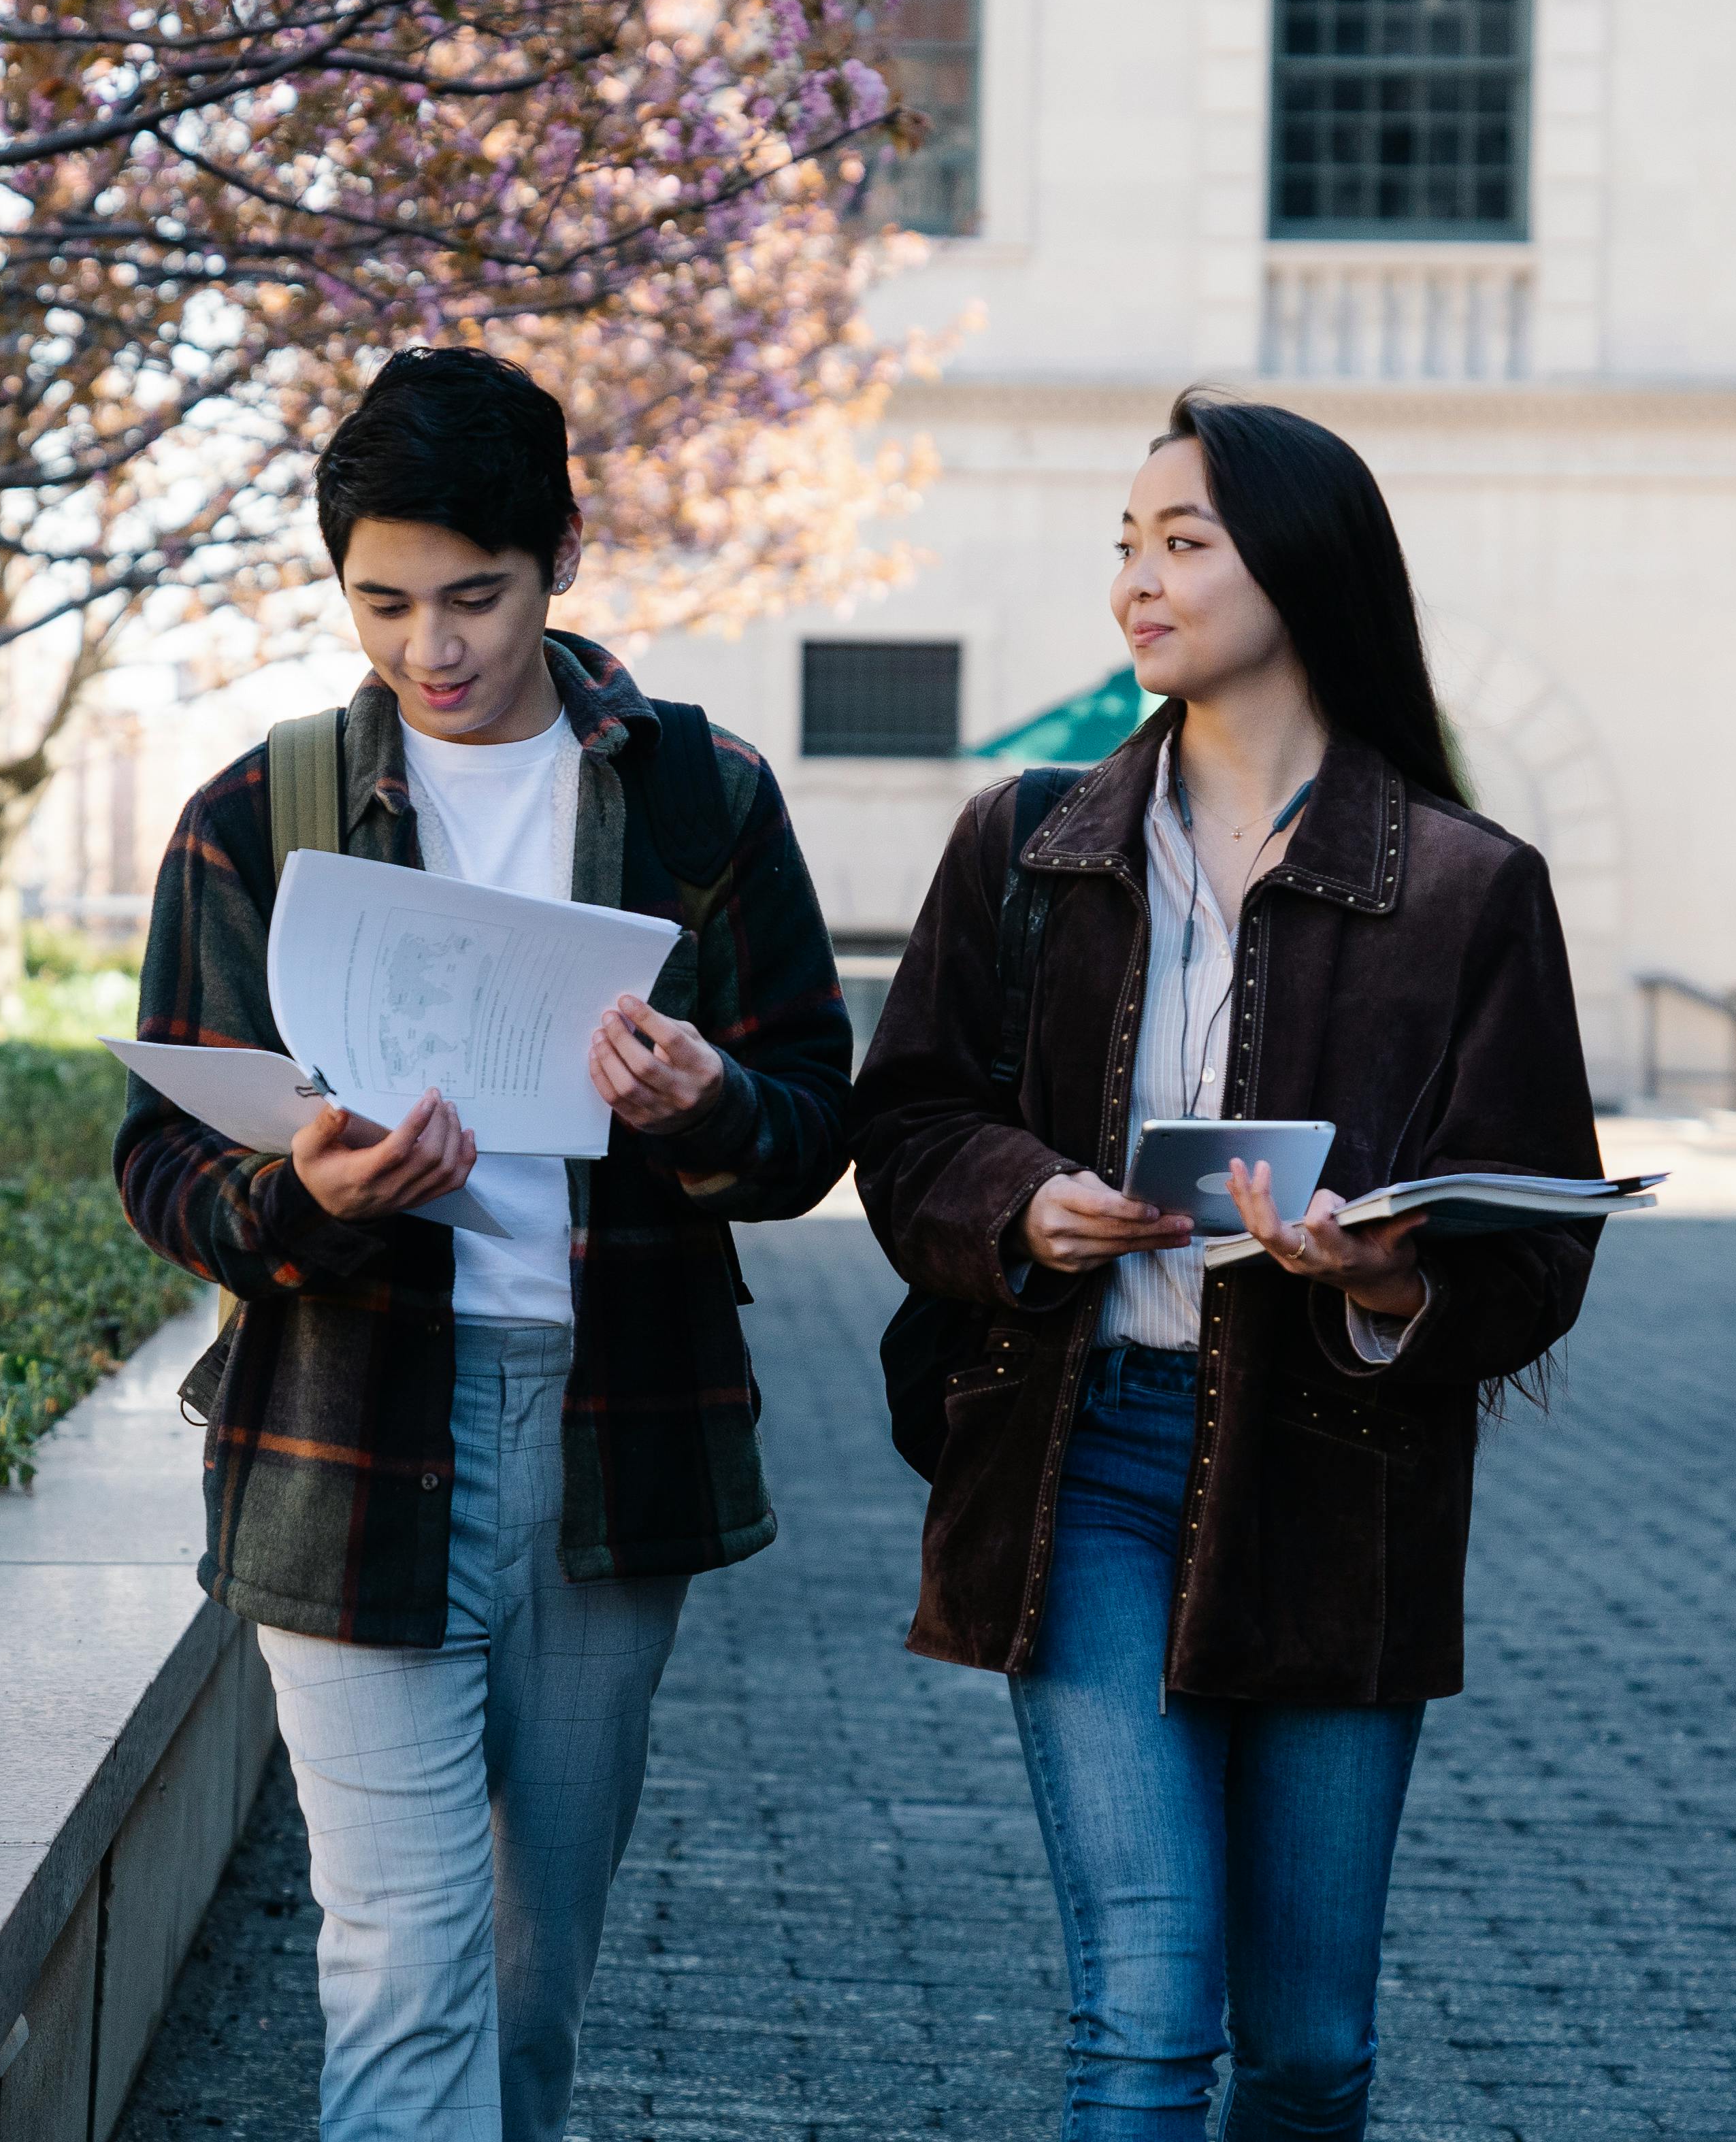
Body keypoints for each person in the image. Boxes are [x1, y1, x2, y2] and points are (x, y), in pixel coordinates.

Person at [114, 347, 854, 2142]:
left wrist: (708, 1108)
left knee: (532, 1973)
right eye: (383, 603)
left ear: (559, 560)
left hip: (613, 1428)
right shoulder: (262, 814)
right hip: (350, 1432)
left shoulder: (700, 798)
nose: (430, 648)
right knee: (398, 1959)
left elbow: (815, 1123)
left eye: (475, 596)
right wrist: (309, 1198)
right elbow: (163, 1159)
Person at [851, 391, 1604, 2142]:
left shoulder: (1469, 888)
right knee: (1145, 2005)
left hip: (1340, 1487)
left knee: (1310, 2048)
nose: (1138, 577)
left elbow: (1543, 1238)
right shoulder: (1030, 841)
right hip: (1084, 1452)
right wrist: (1026, 1203)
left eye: (1183, 541)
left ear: (1304, 567)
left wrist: (1389, 1281)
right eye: (1126, 543)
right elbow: (907, 1123)